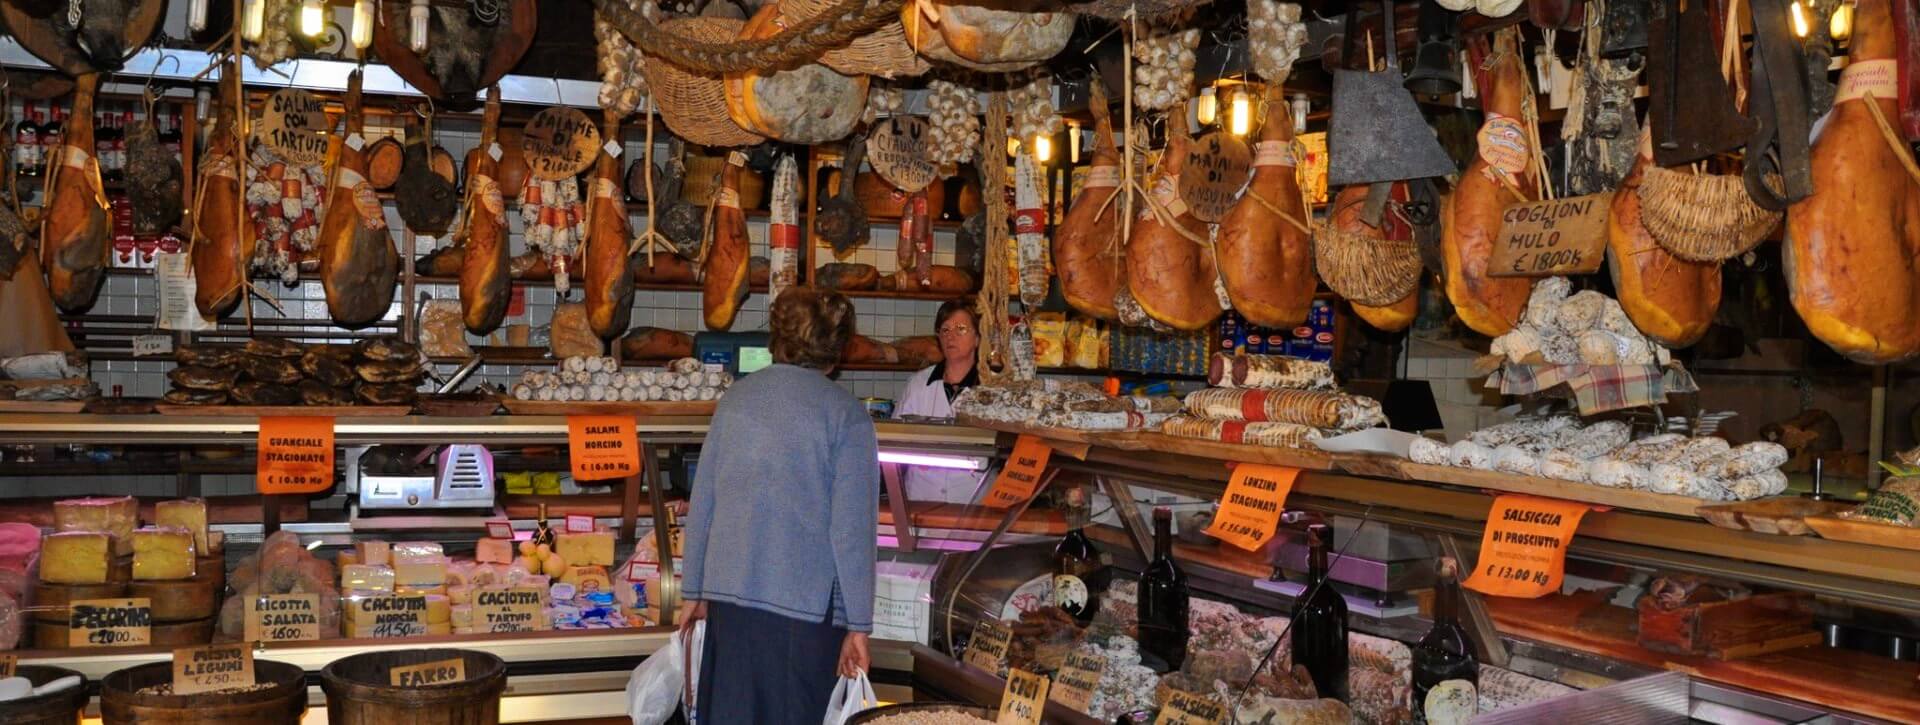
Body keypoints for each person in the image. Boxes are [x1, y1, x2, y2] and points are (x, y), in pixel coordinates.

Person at [681, 286, 879, 723]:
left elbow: (704, 503)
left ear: (779, 340)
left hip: (730, 609)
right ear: (837, 349)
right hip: (804, 617)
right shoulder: (845, 415)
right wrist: (859, 626)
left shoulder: (734, 400)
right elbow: (851, 533)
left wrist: (694, 591)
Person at [892, 299, 984, 502]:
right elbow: (895, 442)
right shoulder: (918, 384)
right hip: (920, 501)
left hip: (974, 504)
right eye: (945, 330)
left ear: (977, 338)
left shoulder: (992, 389)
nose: (951, 336)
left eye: (960, 329)